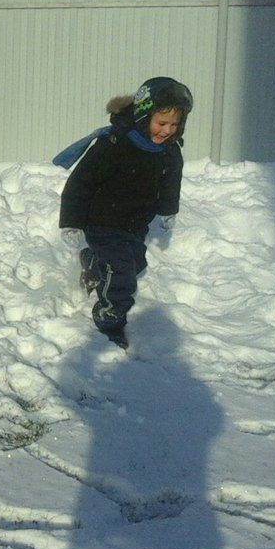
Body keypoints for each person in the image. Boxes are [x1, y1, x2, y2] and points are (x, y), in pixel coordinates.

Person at [56, 77, 193, 348]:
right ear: (144, 116)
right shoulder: (115, 144)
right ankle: (110, 320)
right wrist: (71, 221)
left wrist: (168, 210)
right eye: (162, 123)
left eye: (174, 124)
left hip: (135, 224)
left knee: (136, 264)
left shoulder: (168, 151)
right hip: (102, 220)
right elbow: (80, 182)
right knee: (121, 275)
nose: (167, 130)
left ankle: (92, 263)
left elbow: (170, 182)